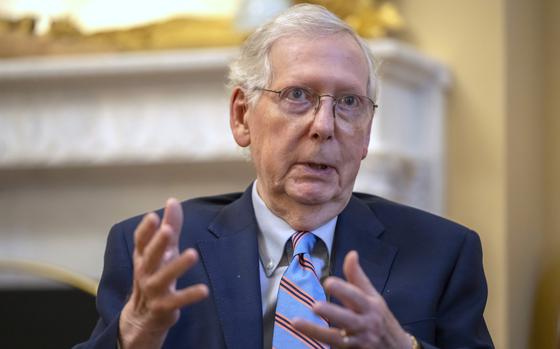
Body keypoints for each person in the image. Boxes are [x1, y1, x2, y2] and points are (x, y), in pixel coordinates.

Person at [76, 4, 493, 349]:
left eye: (349, 102)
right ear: (242, 117)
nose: (324, 125)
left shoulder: (443, 255)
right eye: (298, 95)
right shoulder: (156, 253)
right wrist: (134, 335)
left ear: (366, 133)